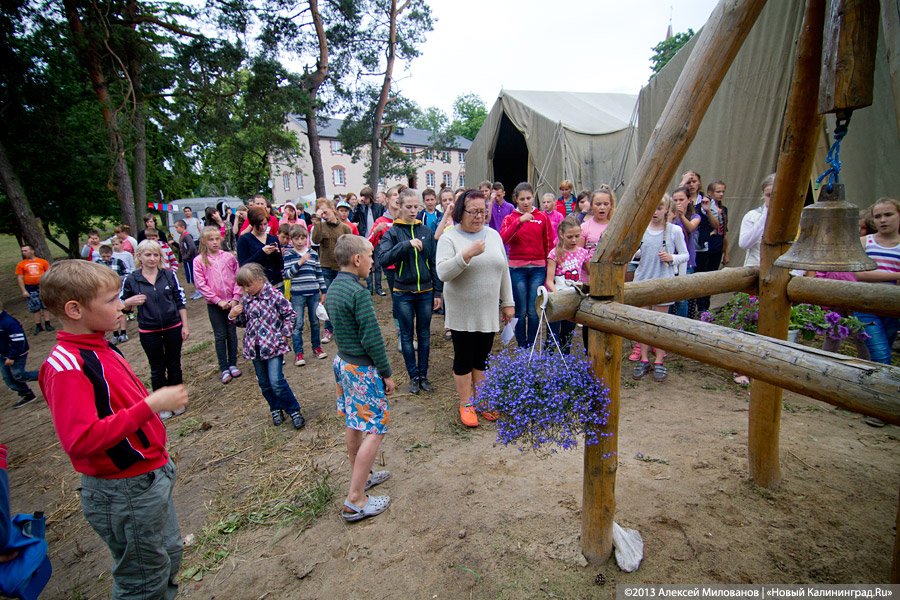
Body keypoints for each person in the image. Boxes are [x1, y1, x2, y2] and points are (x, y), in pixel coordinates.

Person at [38, 259, 188, 599]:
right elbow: (81, 439)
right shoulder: (67, 366)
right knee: (142, 580)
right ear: (75, 309)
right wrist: (151, 405)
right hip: (124, 490)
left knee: (168, 555)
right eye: (110, 300)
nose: (120, 305)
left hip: (149, 476)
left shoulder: (101, 345)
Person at [325, 235, 395, 522]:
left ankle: (361, 474)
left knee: (354, 421)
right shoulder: (359, 293)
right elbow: (372, 338)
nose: (371, 261)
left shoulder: (334, 288)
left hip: (343, 362)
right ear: (356, 260)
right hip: (361, 370)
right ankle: (355, 499)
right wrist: (386, 373)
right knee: (376, 428)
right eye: (369, 255)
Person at [437, 189, 515, 427]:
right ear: (461, 211)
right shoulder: (450, 237)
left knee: (482, 358)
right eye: (474, 211)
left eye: (483, 211)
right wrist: (466, 255)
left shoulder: (493, 235)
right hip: (462, 310)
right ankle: (466, 403)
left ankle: (483, 401)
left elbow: (504, 270)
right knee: (463, 358)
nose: (479, 216)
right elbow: (443, 272)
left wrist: (508, 302)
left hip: (487, 309)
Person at [379, 188, 443, 394]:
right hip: (402, 292)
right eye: (409, 207)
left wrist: (437, 292)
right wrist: (406, 245)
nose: (413, 211)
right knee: (407, 336)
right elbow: (384, 258)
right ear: (399, 206)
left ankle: (424, 376)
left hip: (425, 291)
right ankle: (413, 377)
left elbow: (433, 262)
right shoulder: (393, 232)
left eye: (416, 207)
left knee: (424, 334)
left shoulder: (425, 231)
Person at [228, 263, 305, 429]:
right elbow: (243, 322)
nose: (246, 289)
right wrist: (233, 316)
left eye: (249, 285)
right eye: (243, 287)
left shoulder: (274, 296)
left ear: (260, 279)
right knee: (264, 383)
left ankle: (294, 410)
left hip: (273, 346)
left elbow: (290, 314)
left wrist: (285, 333)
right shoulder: (246, 300)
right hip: (254, 348)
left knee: (276, 380)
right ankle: (275, 408)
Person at [121, 240, 189, 420]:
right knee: (157, 368)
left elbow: (179, 300)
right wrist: (128, 303)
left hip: (173, 326)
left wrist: (185, 325)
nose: (152, 259)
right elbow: (122, 306)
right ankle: (162, 404)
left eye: (156, 255)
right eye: (148, 255)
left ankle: (177, 401)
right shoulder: (132, 279)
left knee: (174, 364)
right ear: (139, 257)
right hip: (149, 330)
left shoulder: (168, 275)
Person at [631, 197, 689, 383]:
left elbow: (685, 255)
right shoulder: (641, 229)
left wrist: (671, 258)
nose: (655, 212)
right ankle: (644, 358)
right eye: (652, 208)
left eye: (659, 208)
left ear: (667, 210)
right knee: (644, 324)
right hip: (643, 281)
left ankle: (659, 360)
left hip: (664, 283)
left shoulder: (674, 231)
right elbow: (633, 253)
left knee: (660, 324)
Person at [500, 182, 552, 348]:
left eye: (528, 198)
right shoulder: (510, 218)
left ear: (533, 198)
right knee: (521, 311)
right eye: (522, 199)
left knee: (534, 310)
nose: (526, 202)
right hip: (517, 270)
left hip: (538, 269)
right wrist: (519, 222)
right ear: (515, 199)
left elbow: (548, 243)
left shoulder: (542, 217)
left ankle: (532, 343)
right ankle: (523, 346)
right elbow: (503, 239)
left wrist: (550, 269)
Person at [853, 197, 900, 371]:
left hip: (892, 307)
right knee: (881, 354)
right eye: (878, 216)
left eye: (888, 214)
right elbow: (860, 273)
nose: (883, 220)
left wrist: (877, 275)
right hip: (865, 305)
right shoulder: (865, 242)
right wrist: (896, 275)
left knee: (884, 350)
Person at [193, 226, 243, 385]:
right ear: (204, 241)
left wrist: (235, 297)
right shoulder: (199, 260)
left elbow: (238, 277)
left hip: (232, 302)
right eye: (210, 239)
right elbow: (201, 284)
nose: (214, 242)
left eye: (217, 238)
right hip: (215, 305)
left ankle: (233, 363)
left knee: (231, 333)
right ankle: (224, 367)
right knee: (220, 335)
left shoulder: (228, 257)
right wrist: (217, 300)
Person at [545, 218, 592, 354]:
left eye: (577, 236)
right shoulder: (555, 253)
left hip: (573, 297)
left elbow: (591, 274)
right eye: (570, 237)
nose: (573, 240)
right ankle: (549, 362)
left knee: (567, 333)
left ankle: (565, 362)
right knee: (552, 334)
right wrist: (558, 297)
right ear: (561, 234)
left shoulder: (583, 253)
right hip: (557, 297)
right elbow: (549, 280)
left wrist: (586, 287)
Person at [283, 225, 327, 366]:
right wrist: (300, 262)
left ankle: (317, 347)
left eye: (303, 238)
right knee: (298, 323)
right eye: (297, 238)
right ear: (292, 240)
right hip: (297, 294)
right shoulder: (289, 255)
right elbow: (287, 274)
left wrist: (323, 290)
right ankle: (299, 353)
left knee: (315, 322)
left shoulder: (313, 254)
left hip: (313, 292)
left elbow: (319, 272)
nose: (300, 241)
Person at [312, 198, 352, 343]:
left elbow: (351, 247)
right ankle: (329, 328)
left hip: (341, 268)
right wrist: (317, 221)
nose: (323, 214)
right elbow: (315, 240)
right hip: (326, 267)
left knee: (343, 298)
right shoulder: (320, 226)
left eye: (325, 211)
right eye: (321, 212)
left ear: (332, 209)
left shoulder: (345, 228)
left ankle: (343, 327)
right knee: (327, 299)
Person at [0, 301, 39, 408]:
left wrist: (12, 356)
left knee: (19, 375)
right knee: (8, 379)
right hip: (3, 355)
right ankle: (27, 394)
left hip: (16, 354)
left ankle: (47, 375)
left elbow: (18, 341)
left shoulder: (9, 322)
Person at [237, 206, 284, 289]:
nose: (263, 227)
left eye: (265, 224)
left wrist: (277, 253)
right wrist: (262, 253)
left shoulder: (273, 238)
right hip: (257, 286)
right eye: (259, 225)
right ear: (252, 224)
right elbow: (243, 265)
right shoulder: (244, 239)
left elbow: (280, 265)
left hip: (276, 284)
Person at [94, 245, 129, 343]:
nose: (106, 258)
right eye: (103, 256)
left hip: (118, 291)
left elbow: (127, 273)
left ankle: (123, 332)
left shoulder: (118, 262)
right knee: (111, 313)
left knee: (121, 311)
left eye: (108, 256)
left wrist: (120, 280)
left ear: (111, 254)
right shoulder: (97, 265)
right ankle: (115, 333)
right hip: (105, 293)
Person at [15, 245, 53, 335]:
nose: (24, 252)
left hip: (42, 286)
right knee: (35, 306)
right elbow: (20, 278)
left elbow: (49, 273)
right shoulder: (21, 264)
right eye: (22, 251)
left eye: (25, 250)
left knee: (45, 305)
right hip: (30, 287)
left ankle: (48, 323)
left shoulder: (42, 262)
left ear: (32, 251)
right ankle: (38, 325)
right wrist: (24, 290)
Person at [739, 173, 775, 268]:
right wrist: (765, 216)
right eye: (769, 195)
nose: (772, 199)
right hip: (755, 268)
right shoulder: (752, 216)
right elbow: (744, 244)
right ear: (763, 194)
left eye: (776, 195)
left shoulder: (794, 218)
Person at [580, 186, 615, 254]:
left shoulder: (615, 227)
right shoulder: (584, 227)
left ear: (611, 205)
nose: (602, 207)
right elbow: (578, 254)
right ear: (591, 206)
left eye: (606, 204)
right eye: (598, 204)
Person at [174, 219, 201, 300]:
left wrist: (186, 256)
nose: (176, 229)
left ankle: (200, 291)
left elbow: (192, 247)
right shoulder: (182, 236)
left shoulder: (187, 236)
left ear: (182, 227)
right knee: (191, 275)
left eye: (177, 227)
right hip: (187, 260)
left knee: (193, 275)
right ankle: (197, 290)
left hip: (190, 260)